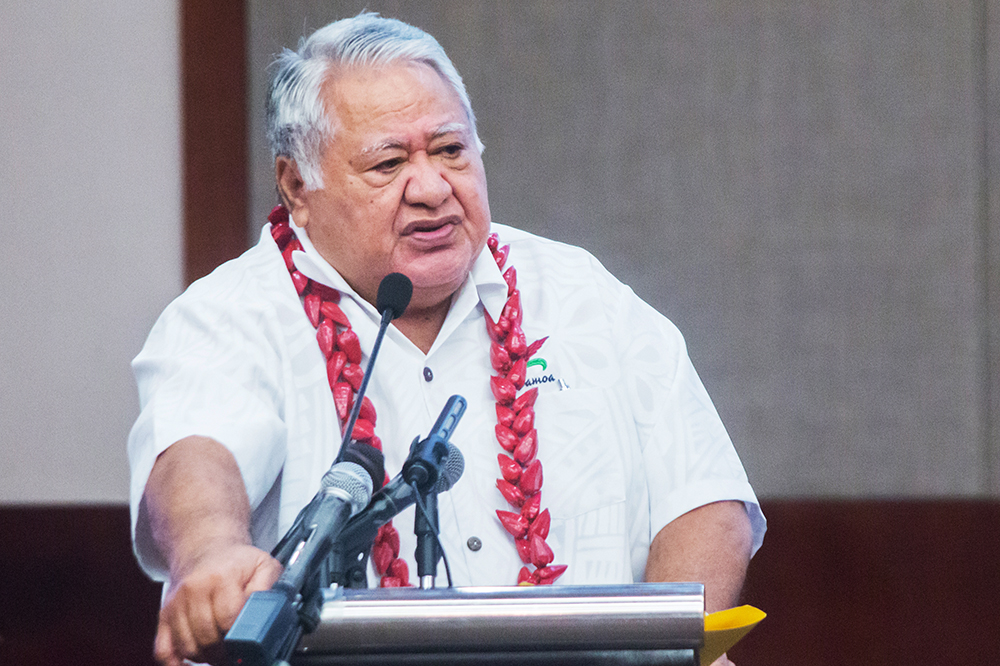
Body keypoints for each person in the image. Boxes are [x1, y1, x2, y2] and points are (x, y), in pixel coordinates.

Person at [128, 12, 765, 666]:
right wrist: (211, 551)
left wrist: (670, 653)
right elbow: (197, 453)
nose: (432, 188)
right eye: (389, 162)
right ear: (298, 185)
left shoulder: (579, 293)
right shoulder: (230, 313)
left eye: (450, 150)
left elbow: (705, 502)